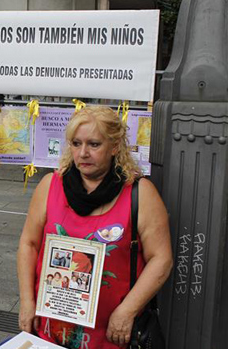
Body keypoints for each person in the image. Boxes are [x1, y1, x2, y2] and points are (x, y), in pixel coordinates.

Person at [17, 106, 172, 348]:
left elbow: (161, 258)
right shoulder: (50, 186)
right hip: (50, 330)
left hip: (111, 335)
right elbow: (29, 243)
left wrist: (127, 311)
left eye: (94, 144)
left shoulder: (140, 193)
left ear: (114, 146)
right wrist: (27, 301)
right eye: (76, 143)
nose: (83, 153)